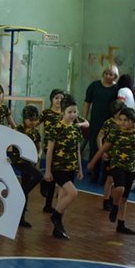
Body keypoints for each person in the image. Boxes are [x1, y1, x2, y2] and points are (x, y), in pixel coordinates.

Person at [88, 107, 135, 235]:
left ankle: (121, 224)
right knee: (120, 188)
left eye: (126, 120)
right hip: (116, 165)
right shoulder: (115, 133)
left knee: (124, 198)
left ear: (132, 122)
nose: (123, 122)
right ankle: (114, 205)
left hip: (130, 168)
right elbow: (103, 149)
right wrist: (93, 162)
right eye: (121, 119)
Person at [44, 94, 83, 240]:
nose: (72, 115)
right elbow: (49, 151)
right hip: (58, 168)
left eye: (75, 112)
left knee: (63, 197)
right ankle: (55, 216)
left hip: (71, 168)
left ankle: (58, 229)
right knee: (73, 193)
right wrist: (47, 170)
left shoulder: (76, 129)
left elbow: (77, 150)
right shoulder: (56, 128)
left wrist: (80, 168)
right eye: (69, 112)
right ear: (63, 112)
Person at [83, 64, 119, 183]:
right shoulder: (94, 86)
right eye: (106, 73)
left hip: (110, 124)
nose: (108, 76)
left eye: (111, 74)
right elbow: (87, 102)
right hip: (95, 122)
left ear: (115, 76)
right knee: (94, 146)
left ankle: (105, 177)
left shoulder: (116, 89)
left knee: (108, 148)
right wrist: (84, 118)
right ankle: (94, 174)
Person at [9, 105, 43, 228]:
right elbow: (10, 143)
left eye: (35, 120)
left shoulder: (36, 132)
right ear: (24, 119)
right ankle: (21, 193)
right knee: (39, 176)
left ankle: (21, 219)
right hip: (18, 161)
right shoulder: (19, 129)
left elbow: (39, 148)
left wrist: (38, 156)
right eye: (30, 120)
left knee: (26, 187)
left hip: (29, 162)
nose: (33, 122)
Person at [96, 100, 126, 211]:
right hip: (110, 155)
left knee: (117, 180)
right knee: (110, 179)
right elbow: (99, 137)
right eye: (119, 112)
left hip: (121, 156)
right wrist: (102, 151)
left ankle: (113, 201)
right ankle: (106, 200)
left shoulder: (126, 123)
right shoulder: (109, 123)